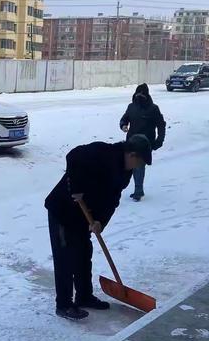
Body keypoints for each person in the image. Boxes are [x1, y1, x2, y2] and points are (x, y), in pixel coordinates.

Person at [45, 135, 153, 320]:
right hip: (63, 210)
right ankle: (63, 304)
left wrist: (100, 222)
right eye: (139, 162)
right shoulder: (103, 152)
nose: (138, 167)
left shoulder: (124, 173)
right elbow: (73, 156)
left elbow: (113, 200)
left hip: (84, 215)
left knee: (83, 253)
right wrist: (76, 188)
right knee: (65, 258)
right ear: (132, 154)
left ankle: (84, 296)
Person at [120, 83, 166, 202]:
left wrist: (159, 140)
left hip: (145, 142)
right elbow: (124, 118)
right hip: (131, 141)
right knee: (131, 166)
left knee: (139, 166)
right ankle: (136, 189)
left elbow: (161, 125)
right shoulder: (131, 107)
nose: (139, 96)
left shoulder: (153, 108)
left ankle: (138, 191)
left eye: (142, 94)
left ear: (147, 95)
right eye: (137, 94)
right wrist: (123, 125)